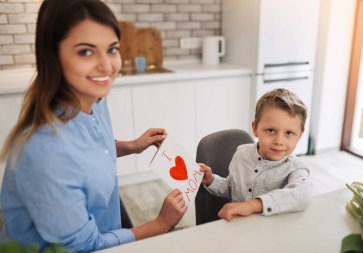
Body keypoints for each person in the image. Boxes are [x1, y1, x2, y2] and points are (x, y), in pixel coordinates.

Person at [0, 0, 187, 252]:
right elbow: (84, 246)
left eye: (112, 49)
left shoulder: (95, 100)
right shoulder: (44, 153)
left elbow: (87, 151)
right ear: (52, 56)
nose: (107, 65)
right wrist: (159, 224)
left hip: (107, 231)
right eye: (86, 52)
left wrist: (130, 146)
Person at [200, 88, 313, 221]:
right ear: (255, 129)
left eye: (289, 133)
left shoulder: (296, 169)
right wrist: (211, 180)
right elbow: (231, 187)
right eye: (271, 130)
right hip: (237, 228)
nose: (279, 141)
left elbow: (302, 193)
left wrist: (253, 205)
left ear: (299, 135)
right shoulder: (241, 154)